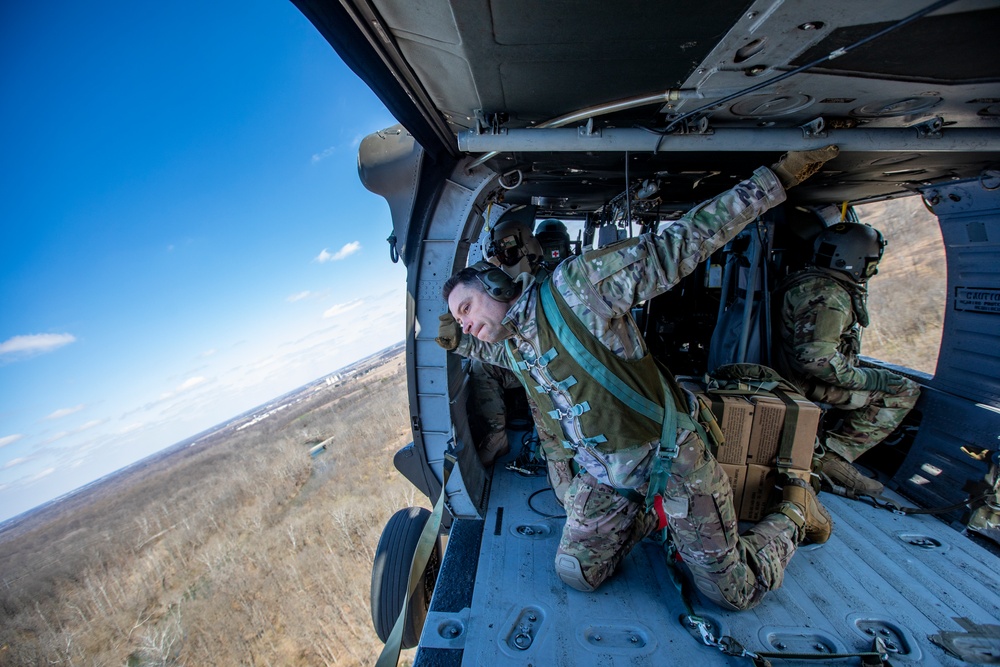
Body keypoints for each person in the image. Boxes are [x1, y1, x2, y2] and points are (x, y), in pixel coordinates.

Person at [436, 146, 839, 611]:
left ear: (496, 286)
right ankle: (645, 516)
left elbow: (683, 243)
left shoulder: (579, 286)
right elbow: (475, 345)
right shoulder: (513, 342)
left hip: (672, 457)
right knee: (579, 574)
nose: (464, 322)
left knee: (732, 593)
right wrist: (452, 333)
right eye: (458, 317)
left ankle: (794, 511)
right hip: (605, 477)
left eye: (466, 308)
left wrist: (774, 180)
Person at [773, 222, 921, 498]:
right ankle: (831, 457)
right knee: (903, 389)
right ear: (855, 262)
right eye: (870, 263)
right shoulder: (828, 295)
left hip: (789, 376)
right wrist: (871, 378)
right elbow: (817, 361)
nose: (872, 270)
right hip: (804, 384)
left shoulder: (806, 281)